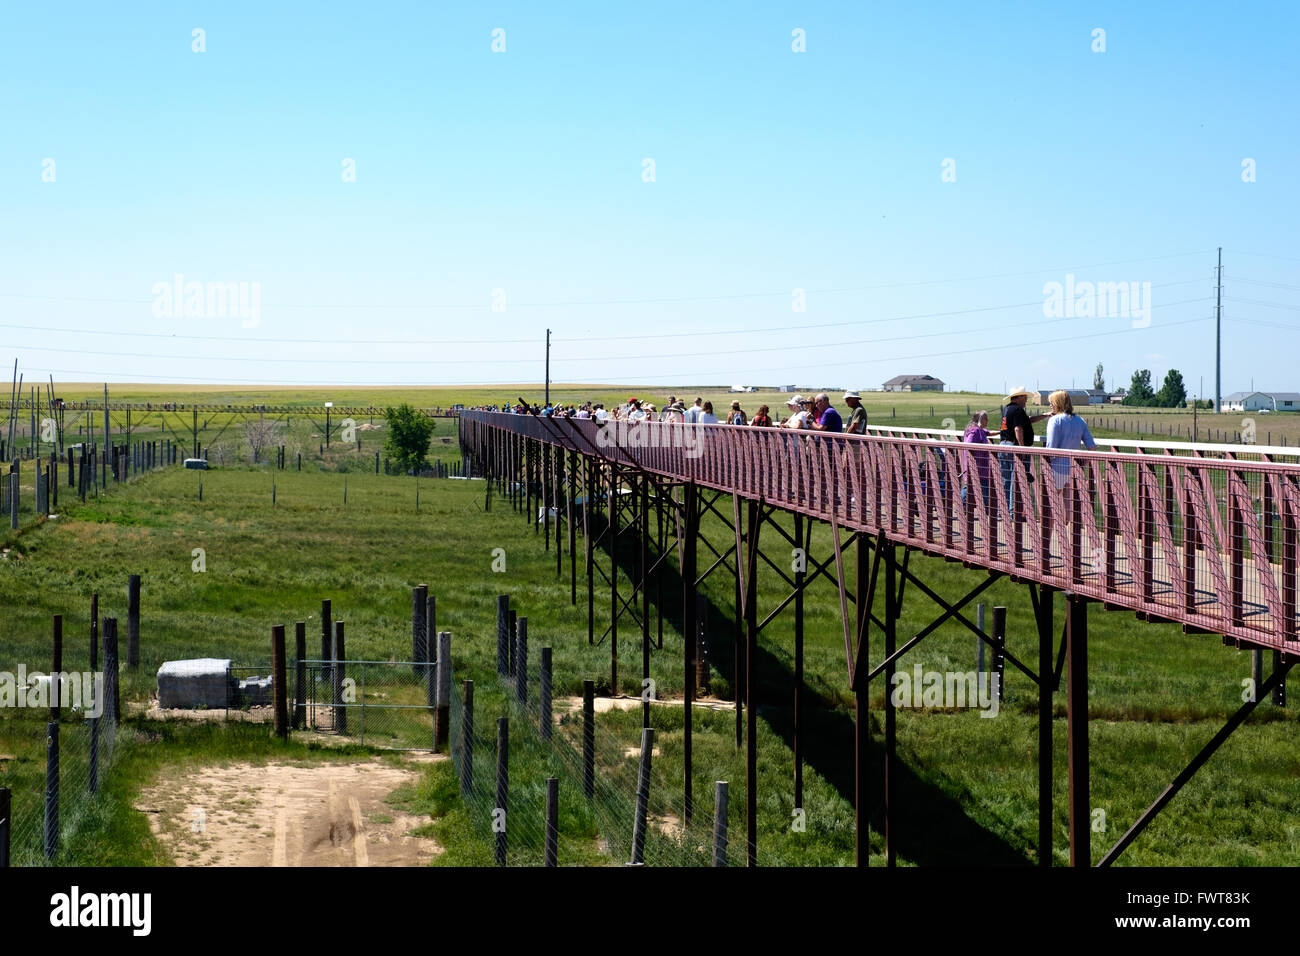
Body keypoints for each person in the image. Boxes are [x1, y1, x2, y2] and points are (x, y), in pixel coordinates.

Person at [998, 386, 1049, 516]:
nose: (1026, 399)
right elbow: (1018, 429)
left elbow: (1028, 420)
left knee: (1006, 480)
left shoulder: (1008, 409)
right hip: (1014, 448)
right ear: (1019, 397)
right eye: (1024, 397)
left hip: (1003, 446)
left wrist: (1044, 415)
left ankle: (1003, 511)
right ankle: (1012, 513)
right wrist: (1022, 448)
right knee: (1017, 480)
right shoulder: (1018, 410)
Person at [1044, 390, 1097, 490]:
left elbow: (1050, 448)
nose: (1050, 405)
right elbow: (1092, 447)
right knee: (1071, 504)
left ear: (1057, 403)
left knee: (1053, 502)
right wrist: (1082, 464)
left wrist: (1046, 465)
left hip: (1058, 469)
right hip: (1075, 469)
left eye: (1051, 402)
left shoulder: (1054, 420)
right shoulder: (1079, 420)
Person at [961, 411, 994, 510]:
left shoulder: (979, 430)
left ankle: (965, 507)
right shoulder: (975, 431)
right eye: (985, 418)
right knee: (973, 486)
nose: (987, 420)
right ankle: (985, 511)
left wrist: (1004, 431)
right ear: (980, 419)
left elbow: (988, 433)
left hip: (980, 465)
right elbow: (969, 444)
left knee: (971, 486)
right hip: (976, 464)